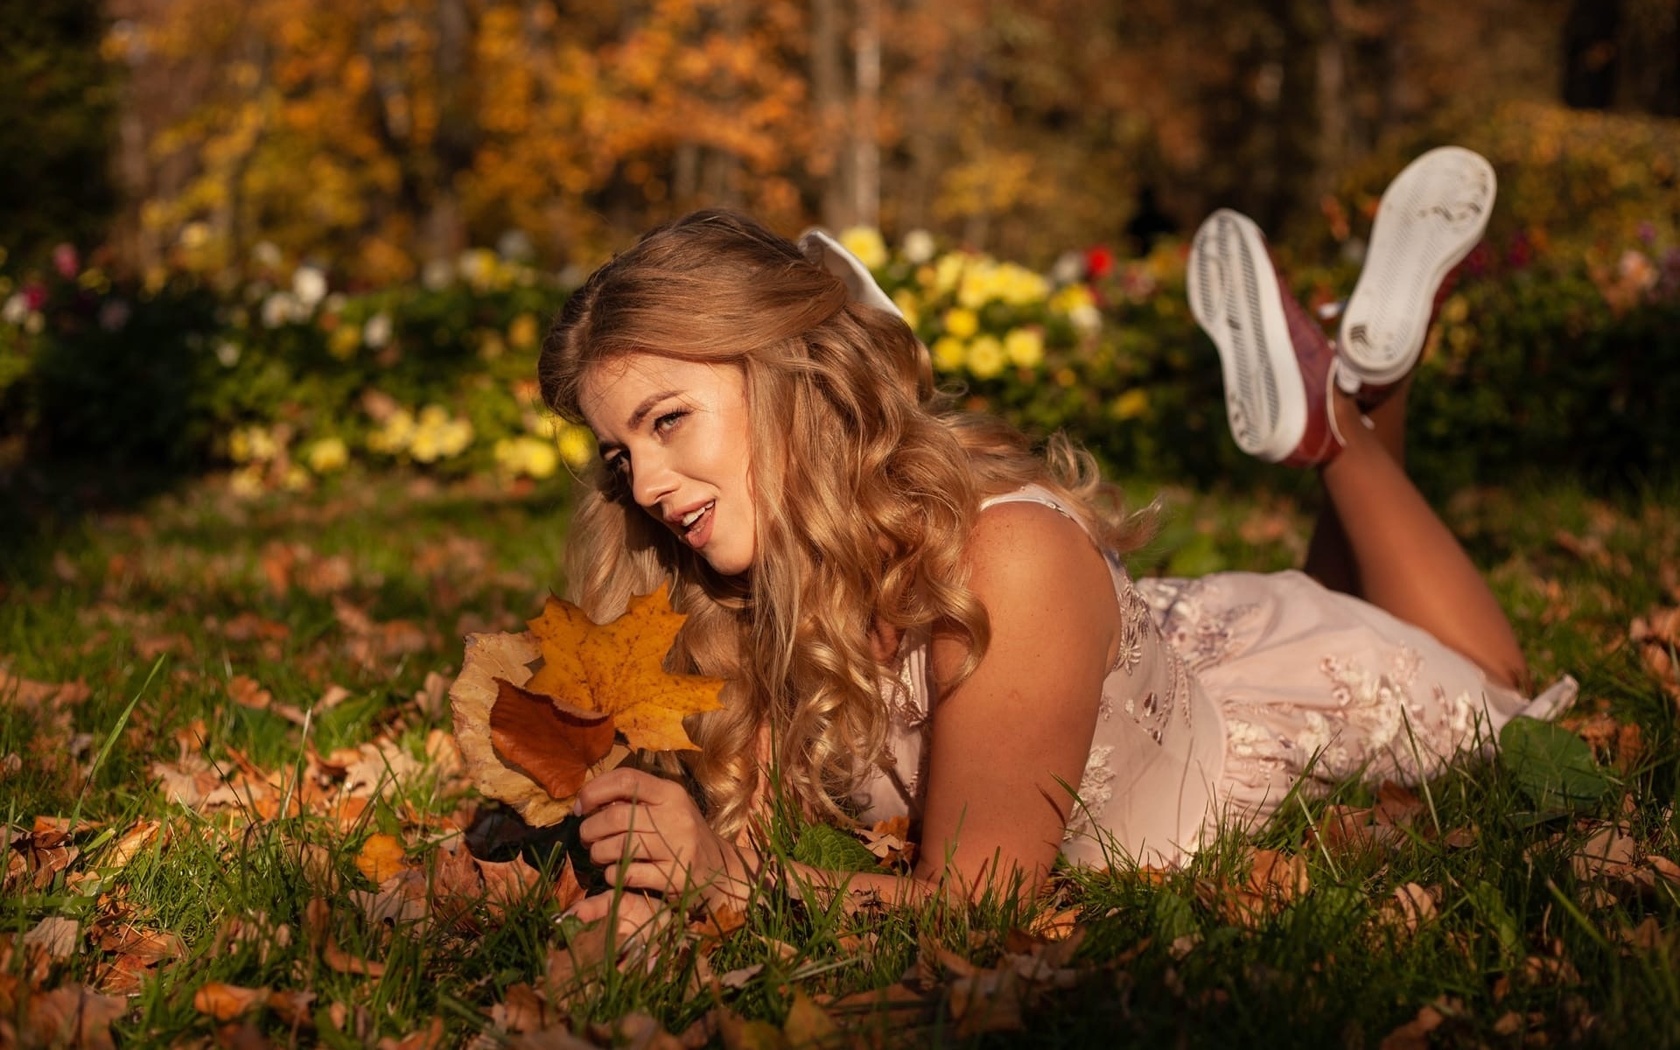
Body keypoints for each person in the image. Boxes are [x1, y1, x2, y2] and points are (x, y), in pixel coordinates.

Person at [538, 146, 1575, 932]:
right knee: (1344, 586)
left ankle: (1341, 428)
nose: (647, 485)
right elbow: (739, 841)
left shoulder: (1009, 563)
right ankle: (1356, 388)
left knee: (1495, 683)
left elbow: (980, 901)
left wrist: (731, 885)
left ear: (789, 378)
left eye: (668, 420)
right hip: (1182, 663)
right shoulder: (745, 587)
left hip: (1298, 710)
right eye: (619, 452)